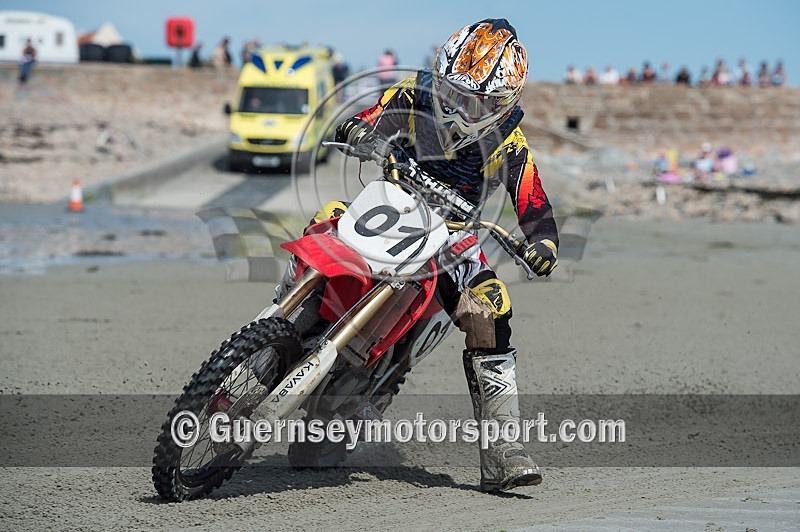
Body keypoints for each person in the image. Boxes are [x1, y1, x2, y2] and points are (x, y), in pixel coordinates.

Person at [321, 18, 557, 493]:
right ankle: (275, 330)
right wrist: (357, 132)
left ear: (500, 104)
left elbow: (535, 204)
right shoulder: (411, 96)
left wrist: (543, 244)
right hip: (389, 204)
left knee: (491, 305)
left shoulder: (509, 142)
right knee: (324, 220)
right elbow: (364, 120)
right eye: (453, 90)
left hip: (452, 235)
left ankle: (502, 448)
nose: (457, 106)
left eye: (473, 100)